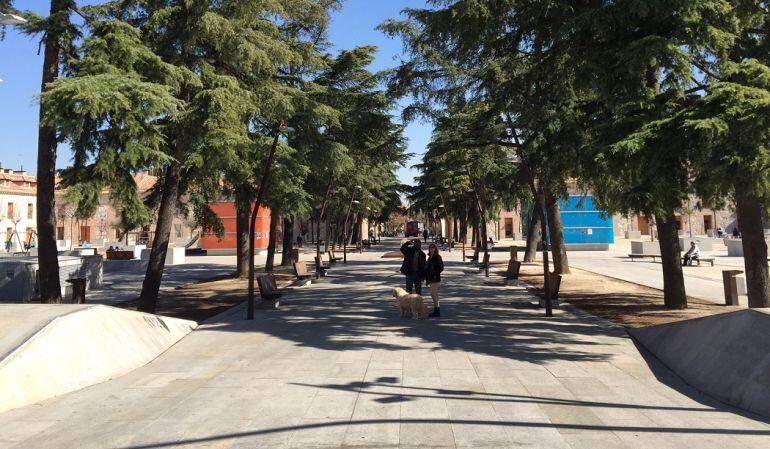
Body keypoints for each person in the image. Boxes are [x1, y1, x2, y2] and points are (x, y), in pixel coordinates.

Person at [425, 243, 444, 317]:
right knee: (433, 295)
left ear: (435, 249)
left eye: (433, 247)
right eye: (430, 247)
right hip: (430, 278)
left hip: (435, 278)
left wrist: (435, 273)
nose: (431, 249)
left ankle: (437, 311)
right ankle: (436, 309)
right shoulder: (429, 257)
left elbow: (441, 267)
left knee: (434, 295)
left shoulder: (437, 257)